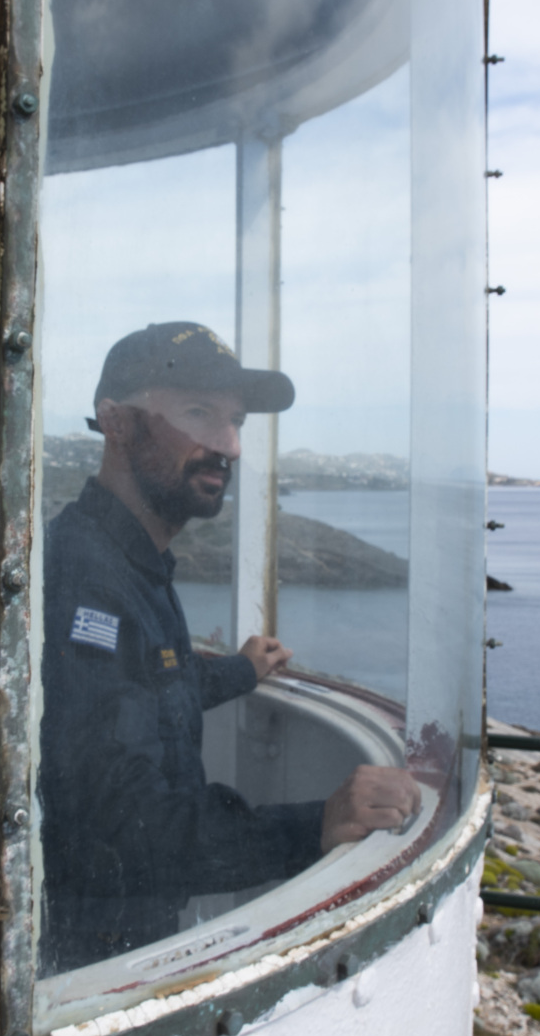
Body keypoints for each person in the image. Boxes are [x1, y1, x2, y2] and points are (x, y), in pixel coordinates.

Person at [40, 321, 420, 973]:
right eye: (198, 413)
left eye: (235, 420)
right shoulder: (86, 583)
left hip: (123, 924)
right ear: (118, 422)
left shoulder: (129, 561)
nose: (230, 446)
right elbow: (125, 827)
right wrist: (317, 825)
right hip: (93, 952)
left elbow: (147, 686)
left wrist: (241, 671)